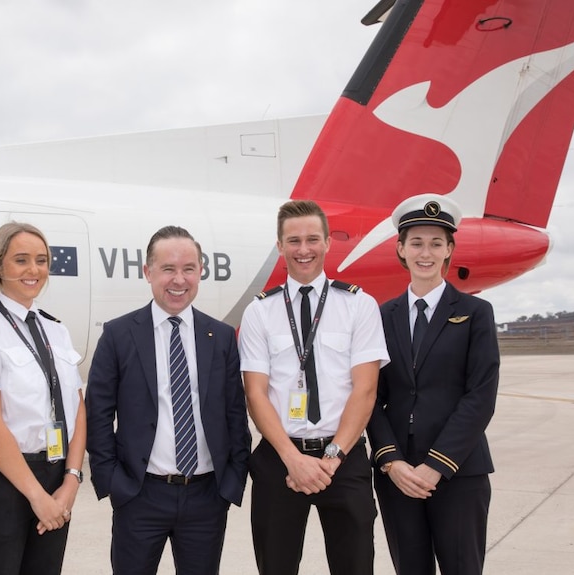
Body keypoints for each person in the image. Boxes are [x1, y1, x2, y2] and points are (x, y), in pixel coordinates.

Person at [86, 225, 251, 575]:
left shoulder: (220, 336)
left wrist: (232, 481)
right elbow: (98, 413)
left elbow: (234, 413)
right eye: (168, 269)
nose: (179, 279)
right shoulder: (118, 334)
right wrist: (113, 482)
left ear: (200, 272)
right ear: (148, 272)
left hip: (206, 498)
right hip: (140, 495)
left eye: (189, 269)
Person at [239, 199, 390, 575]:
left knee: (354, 566)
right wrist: (293, 459)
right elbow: (255, 393)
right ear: (279, 246)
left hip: (344, 458)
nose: (303, 250)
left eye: (312, 239)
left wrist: (331, 458)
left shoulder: (359, 305)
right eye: (293, 241)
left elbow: (365, 390)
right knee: (276, 566)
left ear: (326, 243)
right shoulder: (260, 311)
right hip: (280, 459)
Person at [367, 194, 499, 574]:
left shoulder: (476, 313)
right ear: (401, 249)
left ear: (449, 251)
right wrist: (390, 460)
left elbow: (480, 397)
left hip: (459, 472)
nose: (426, 252)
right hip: (399, 475)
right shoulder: (382, 315)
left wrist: (436, 466)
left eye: (436, 243)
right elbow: (370, 395)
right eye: (417, 243)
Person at [0, 221, 86, 575]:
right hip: (1, 480)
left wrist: (70, 481)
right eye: (21, 260)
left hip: (55, 475)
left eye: (42, 261)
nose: (34, 270)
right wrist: (37, 497)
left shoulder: (56, 330)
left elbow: (77, 410)